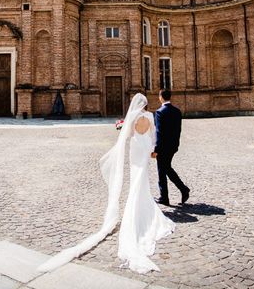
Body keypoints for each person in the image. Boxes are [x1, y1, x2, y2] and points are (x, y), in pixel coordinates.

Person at [37, 93, 175, 274]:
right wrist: (153, 150)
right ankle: (146, 205)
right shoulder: (150, 116)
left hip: (135, 148)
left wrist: (121, 127)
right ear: (146, 104)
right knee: (143, 178)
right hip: (145, 149)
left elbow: (126, 135)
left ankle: (135, 206)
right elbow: (153, 136)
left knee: (135, 178)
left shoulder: (132, 116)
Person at [152, 88, 190, 206]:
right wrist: (176, 144)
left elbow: (159, 133)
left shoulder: (159, 112)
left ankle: (165, 197)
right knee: (167, 168)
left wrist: (156, 149)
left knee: (162, 171)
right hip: (173, 146)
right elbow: (178, 130)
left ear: (161, 97)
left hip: (162, 148)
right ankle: (183, 189)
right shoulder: (177, 111)